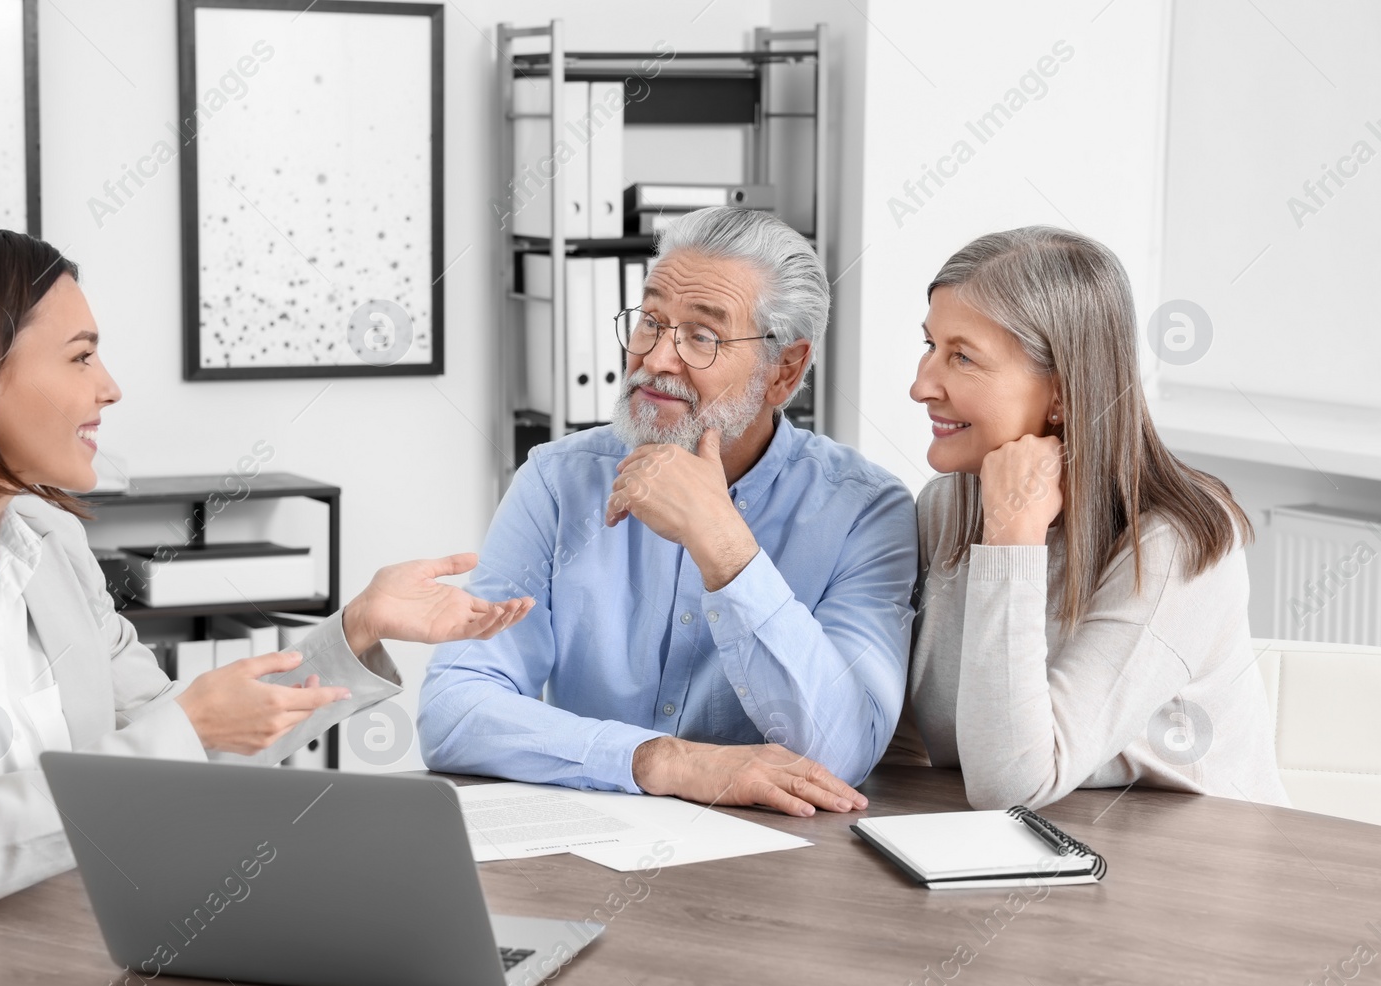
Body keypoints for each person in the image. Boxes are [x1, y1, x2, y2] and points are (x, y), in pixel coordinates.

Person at [0, 226, 532, 930]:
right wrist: (186, 726)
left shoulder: (51, 545)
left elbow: (186, 740)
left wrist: (357, 628)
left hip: (58, 942)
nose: (109, 388)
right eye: (81, 356)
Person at [419, 207, 917, 817]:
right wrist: (659, 760)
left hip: (778, 874)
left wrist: (725, 545)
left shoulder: (865, 510)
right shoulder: (557, 481)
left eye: (701, 337)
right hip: (584, 848)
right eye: (651, 322)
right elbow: (453, 709)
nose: (656, 359)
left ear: (784, 370)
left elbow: (840, 753)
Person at [891, 225, 1287, 809]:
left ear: (1062, 394)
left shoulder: (1178, 543)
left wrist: (1012, 541)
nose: (921, 385)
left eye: (962, 357)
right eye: (929, 346)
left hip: (1195, 870)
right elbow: (901, 743)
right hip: (1026, 853)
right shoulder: (945, 508)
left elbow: (1013, 783)